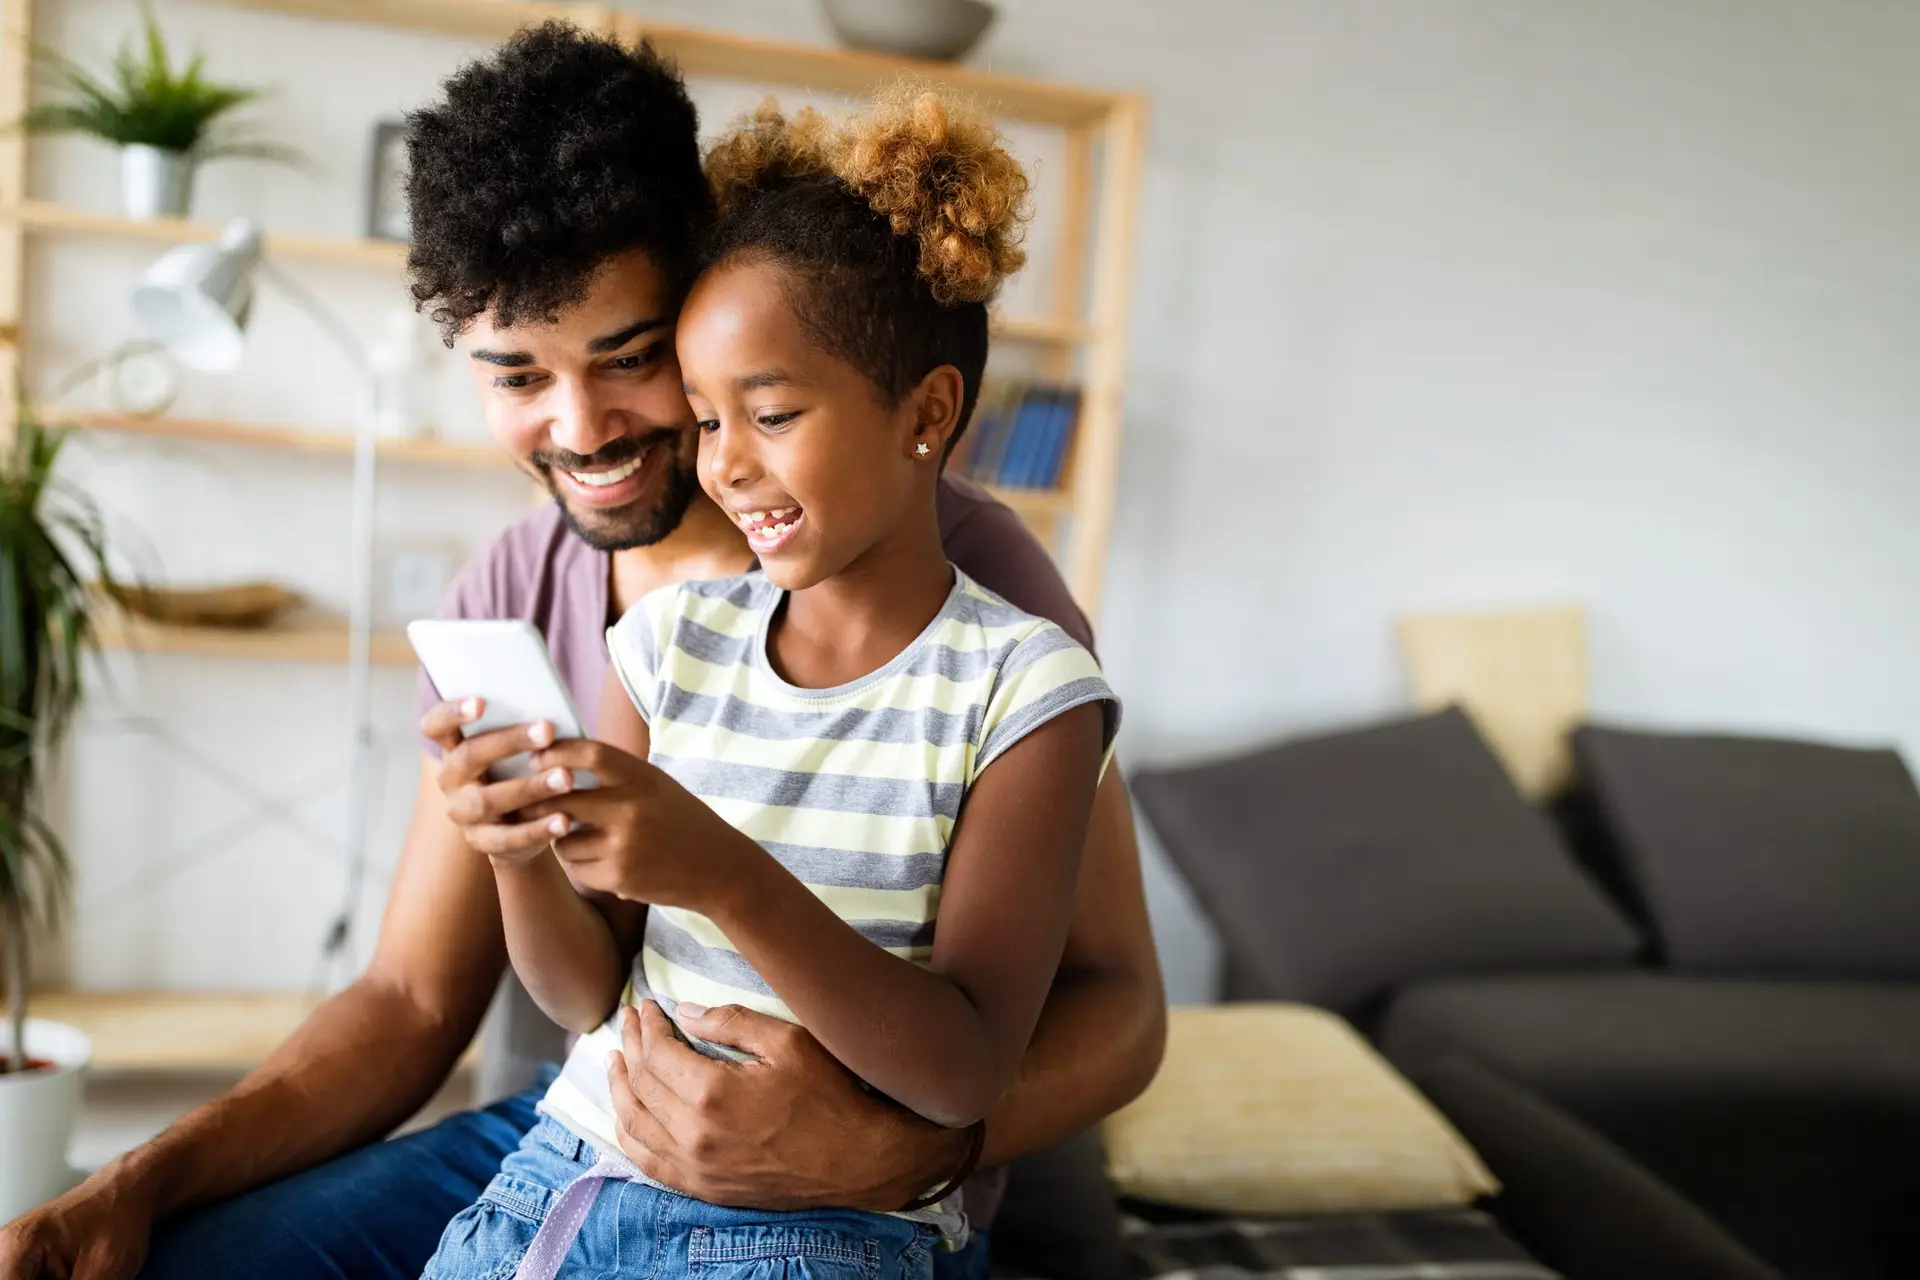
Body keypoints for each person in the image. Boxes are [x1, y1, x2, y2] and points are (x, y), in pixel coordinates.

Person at [0, 25, 1164, 1280]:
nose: (582, 429)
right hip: (586, 1133)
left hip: (863, 1197)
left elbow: (1117, 1007)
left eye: (629, 358)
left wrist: (894, 1154)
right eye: (517, 375)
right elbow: (411, 999)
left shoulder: (983, 597)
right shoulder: (538, 596)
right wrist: (126, 1180)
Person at [422, 89, 1120, 1280]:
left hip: (820, 1232)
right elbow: (584, 989)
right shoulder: (668, 645)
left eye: (773, 412)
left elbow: (964, 1070)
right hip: (571, 1172)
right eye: (702, 417)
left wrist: (727, 874)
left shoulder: (1023, 687)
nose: (723, 462)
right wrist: (514, 851)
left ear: (928, 413)